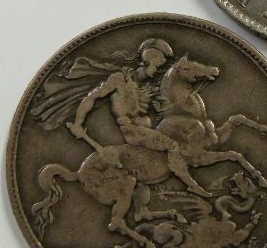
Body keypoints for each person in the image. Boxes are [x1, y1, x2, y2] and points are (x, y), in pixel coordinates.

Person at [67, 38, 210, 197]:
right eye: (157, 66)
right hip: (132, 131)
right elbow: (92, 97)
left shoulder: (144, 85)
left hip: (144, 128)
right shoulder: (119, 80)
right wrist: (78, 122)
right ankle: (191, 185)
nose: (158, 70)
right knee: (172, 146)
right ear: (150, 60)